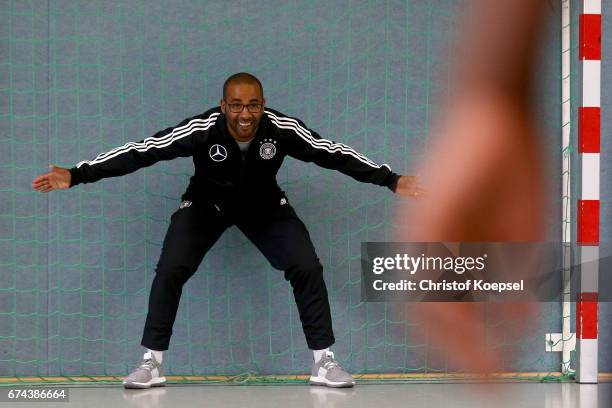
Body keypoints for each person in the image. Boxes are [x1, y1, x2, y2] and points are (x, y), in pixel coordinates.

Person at [32, 72, 423, 388]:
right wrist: (78, 174)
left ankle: (324, 362)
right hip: (206, 206)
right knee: (171, 268)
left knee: (307, 266)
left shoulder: (281, 129)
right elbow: (143, 150)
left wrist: (390, 180)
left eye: (253, 105)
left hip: (264, 207)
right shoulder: (201, 129)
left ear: (262, 106)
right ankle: (152, 362)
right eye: (236, 105)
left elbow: (332, 152)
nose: (245, 113)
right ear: (223, 107)